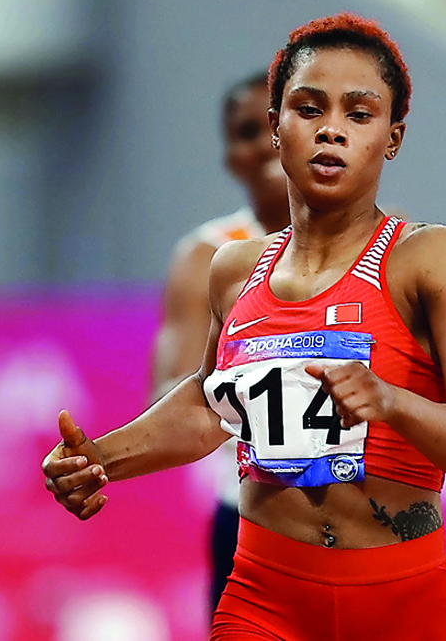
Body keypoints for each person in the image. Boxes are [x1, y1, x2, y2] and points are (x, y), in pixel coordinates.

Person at [43, 12, 446, 639]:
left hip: (406, 605)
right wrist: (99, 459)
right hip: (264, 602)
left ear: (392, 137)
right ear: (276, 128)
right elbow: (211, 406)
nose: (331, 131)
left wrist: (389, 402)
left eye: (359, 113)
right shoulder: (233, 269)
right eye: (308, 108)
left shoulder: (434, 261)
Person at [147, 70, 290, 618]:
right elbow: (169, 392)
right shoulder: (206, 257)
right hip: (252, 518)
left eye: (282, 124)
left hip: (370, 521)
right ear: (232, 156)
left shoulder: (385, 249)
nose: (269, 143)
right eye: (250, 130)